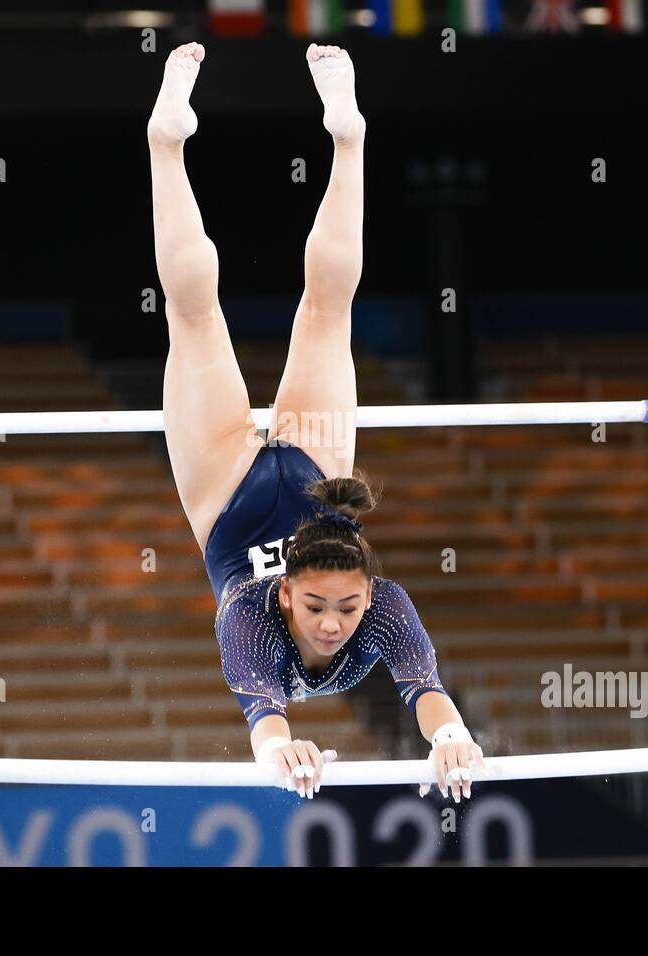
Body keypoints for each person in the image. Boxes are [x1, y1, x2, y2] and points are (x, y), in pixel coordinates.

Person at [148, 41, 484, 801]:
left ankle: (166, 146)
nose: (334, 624)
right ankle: (349, 137)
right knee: (328, 312)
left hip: (223, 495)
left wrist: (449, 736)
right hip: (316, 475)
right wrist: (451, 734)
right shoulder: (365, 609)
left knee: (194, 319)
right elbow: (425, 693)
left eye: (344, 609)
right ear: (288, 593)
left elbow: (265, 710)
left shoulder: (249, 623)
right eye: (322, 607)